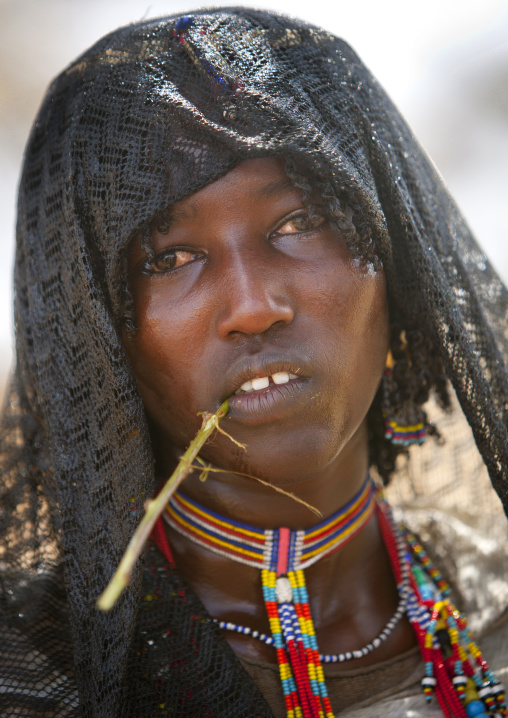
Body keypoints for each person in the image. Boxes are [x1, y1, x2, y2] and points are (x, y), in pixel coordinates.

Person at [0, 7, 507, 717]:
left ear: (397, 265)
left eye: (300, 221)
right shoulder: (32, 678)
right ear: (95, 330)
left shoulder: (495, 604)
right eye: (169, 258)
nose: (252, 305)